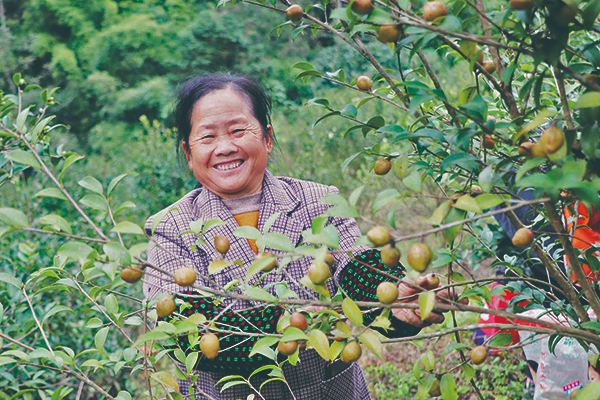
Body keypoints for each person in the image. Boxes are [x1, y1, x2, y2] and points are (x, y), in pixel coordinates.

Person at [143, 74, 450, 400]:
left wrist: (392, 296)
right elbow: (184, 331)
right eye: (207, 137)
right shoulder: (171, 226)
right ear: (188, 153)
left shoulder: (319, 200)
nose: (225, 147)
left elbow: (356, 268)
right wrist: (294, 321)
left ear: (267, 138)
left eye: (237, 130)